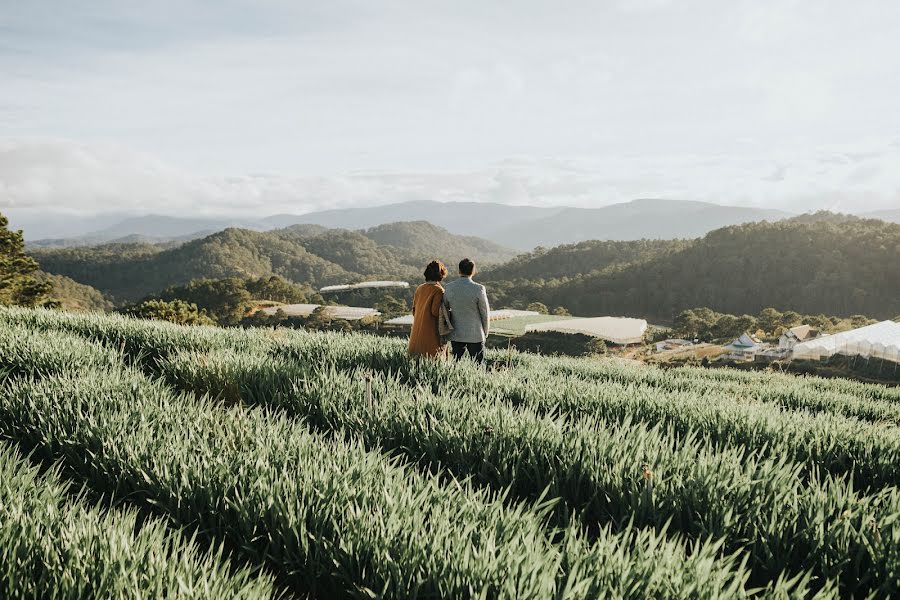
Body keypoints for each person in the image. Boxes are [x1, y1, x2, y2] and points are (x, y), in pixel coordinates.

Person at [442, 258, 490, 364]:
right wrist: (485, 332)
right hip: (475, 333)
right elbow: (484, 313)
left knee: (456, 365)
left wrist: (448, 327)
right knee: (479, 366)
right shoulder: (479, 288)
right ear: (473, 271)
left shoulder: (449, 287)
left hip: (455, 332)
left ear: (459, 271)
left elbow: (444, 309)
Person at [408, 260, 448, 357]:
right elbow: (435, 312)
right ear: (441, 274)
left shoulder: (420, 288)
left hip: (417, 332)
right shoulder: (438, 290)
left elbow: (414, 311)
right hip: (431, 333)